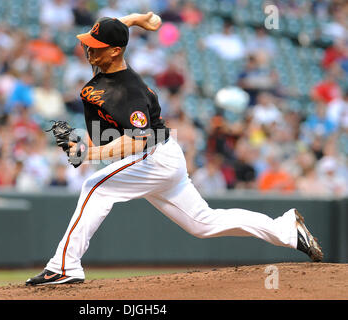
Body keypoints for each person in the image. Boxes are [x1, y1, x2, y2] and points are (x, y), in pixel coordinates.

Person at [26, 12, 323, 286]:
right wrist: (137, 19)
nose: (88, 49)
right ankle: (285, 229)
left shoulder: (127, 91)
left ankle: (65, 265)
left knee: (94, 187)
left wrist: (87, 154)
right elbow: (116, 31)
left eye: (95, 45)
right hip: (163, 156)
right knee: (203, 223)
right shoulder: (108, 59)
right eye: (89, 43)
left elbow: (137, 140)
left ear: (115, 51)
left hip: (152, 157)